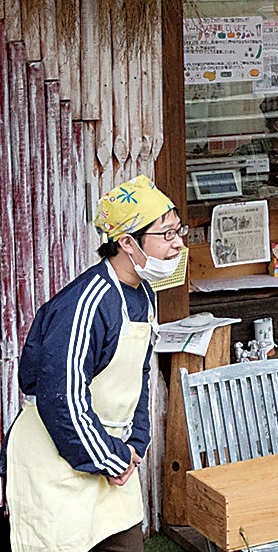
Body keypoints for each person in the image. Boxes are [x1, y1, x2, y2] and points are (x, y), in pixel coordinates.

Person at [2, 175, 187, 552]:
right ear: (127, 242)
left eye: (177, 230)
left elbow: (139, 374)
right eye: (166, 234)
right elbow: (61, 398)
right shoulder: (85, 304)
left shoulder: (144, 295)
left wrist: (136, 441)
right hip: (58, 463)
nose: (178, 243)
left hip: (111, 458)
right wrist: (111, 457)